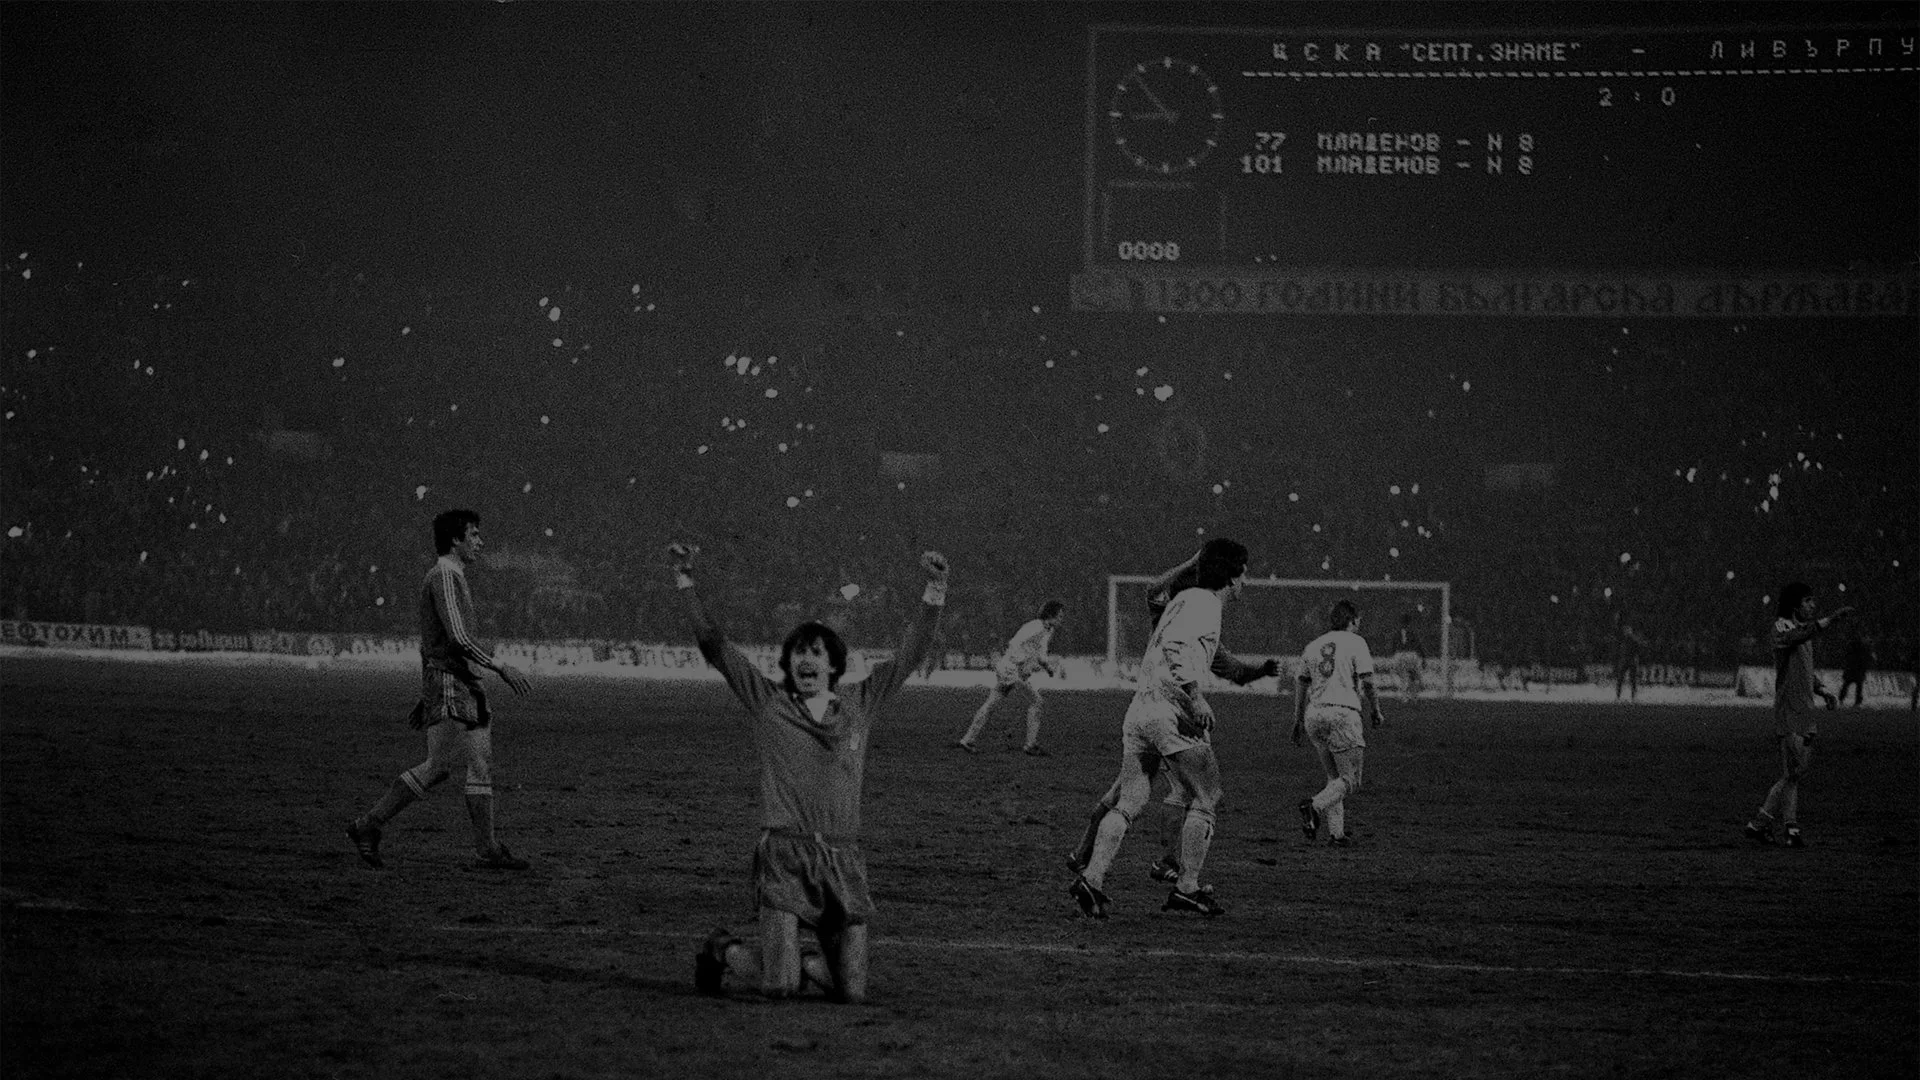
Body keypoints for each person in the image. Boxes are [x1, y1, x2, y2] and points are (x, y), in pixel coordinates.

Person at [676, 540, 948, 1004]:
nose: (805, 659)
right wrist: (685, 580)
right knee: (777, 988)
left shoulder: (861, 703)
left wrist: (936, 587)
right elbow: (715, 646)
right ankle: (722, 949)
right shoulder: (768, 703)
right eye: (798, 652)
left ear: (834, 663)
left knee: (852, 995)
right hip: (785, 855)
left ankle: (799, 959)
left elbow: (910, 654)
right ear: (788, 663)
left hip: (842, 860)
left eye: (816, 652)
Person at [1067, 538, 1257, 919]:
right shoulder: (1205, 602)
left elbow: (1158, 601)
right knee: (1207, 795)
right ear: (1232, 576)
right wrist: (1196, 697)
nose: (1246, 580)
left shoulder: (1181, 601)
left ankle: (1093, 877)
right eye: (1245, 572)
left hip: (1140, 709)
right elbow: (1174, 646)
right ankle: (1186, 887)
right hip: (1171, 709)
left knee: (1131, 801)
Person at [347, 509, 533, 871]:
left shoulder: (453, 577)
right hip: (452, 682)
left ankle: (487, 849)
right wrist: (500, 666)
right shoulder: (444, 577)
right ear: (456, 539)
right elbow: (459, 639)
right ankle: (368, 824)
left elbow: (435, 640)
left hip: (462, 683)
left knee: (480, 764)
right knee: (439, 765)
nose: (480, 541)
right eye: (474, 534)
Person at [1744, 583, 1853, 848]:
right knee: (1793, 771)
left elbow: (1805, 668)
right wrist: (1832, 619)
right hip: (1790, 710)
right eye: (1807, 601)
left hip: (1806, 711)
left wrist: (1823, 690)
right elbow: (1797, 637)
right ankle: (1762, 823)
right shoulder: (1782, 627)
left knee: (1795, 774)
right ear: (1795, 605)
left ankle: (1789, 829)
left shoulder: (1803, 633)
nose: (1813, 605)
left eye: (1813, 601)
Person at [1293, 600, 1387, 847]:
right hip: (1343, 714)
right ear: (1352, 621)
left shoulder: (1313, 645)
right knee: (1351, 779)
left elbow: (1301, 683)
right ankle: (1313, 807)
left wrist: (1297, 721)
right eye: (1358, 622)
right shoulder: (1357, 643)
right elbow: (1367, 681)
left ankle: (1336, 834)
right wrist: (1375, 710)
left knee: (1334, 777)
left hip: (1315, 715)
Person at [955, 600, 1066, 756]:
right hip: (1011, 669)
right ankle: (1030, 745)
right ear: (1050, 615)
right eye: (1059, 615)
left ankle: (967, 739)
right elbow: (1014, 643)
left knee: (992, 703)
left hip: (1009, 669)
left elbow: (1041, 655)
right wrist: (1022, 665)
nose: (1062, 619)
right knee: (1037, 702)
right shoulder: (1036, 626)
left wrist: (1048, 668)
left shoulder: (1046, 631)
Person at [1613, 615, 1651, 703]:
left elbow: (1640, 648)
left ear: (1630, 631)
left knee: (1632, 680)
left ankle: (1633, 697)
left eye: (1627, 630)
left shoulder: (1634, 640)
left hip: (1631, 661)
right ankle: (1618, 696)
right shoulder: (1623, 639)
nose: (1625, 631)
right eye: (1625, 630)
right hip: (1625, 660)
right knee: (1620, 679)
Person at [1392, 612, 1425, 701]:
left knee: (1403, 676)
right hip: (1411, 654)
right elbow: (1418, 645)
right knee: (1414, 676)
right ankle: (1414, 696)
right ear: (1410, 622)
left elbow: (1393, 646)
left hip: (1400, 655)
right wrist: (1423, 657)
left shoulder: (1397, 632)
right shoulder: (1412, 632)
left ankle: (1404, 697)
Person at [1839, 631, 1873, 708]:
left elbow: (1847, 656)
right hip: (1858, 669)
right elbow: (1867, 658)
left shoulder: (1851, 645)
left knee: (1847, 685)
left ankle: (1841, 699)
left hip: (1851, 668)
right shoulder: (1864, 647)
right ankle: (1857, 702)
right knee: (1858, 686)